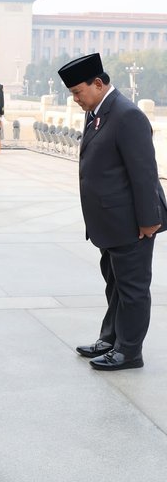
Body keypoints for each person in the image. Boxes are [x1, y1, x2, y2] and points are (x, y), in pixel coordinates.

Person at [58, 53, 167, 371]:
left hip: (133, 223)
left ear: (98, 82)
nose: (76, 99)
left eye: (78, 92)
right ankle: (111, 339)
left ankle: (129, 351)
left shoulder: (127, 114)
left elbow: (145, 172)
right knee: (115, 283)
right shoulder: (97, 112)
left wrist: (149, 220)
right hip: (110, 224)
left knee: (132, 289)